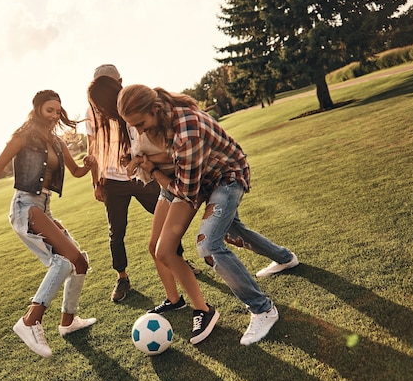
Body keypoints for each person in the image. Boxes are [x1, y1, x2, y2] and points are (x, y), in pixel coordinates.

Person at [117, 84, 299, 345]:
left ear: (155, 109)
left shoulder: (186, 130)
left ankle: (263, 309)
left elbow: (184, 191)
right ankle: (285, 258)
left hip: (227, 178)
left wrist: (152, 170)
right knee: (233, 232)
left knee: (208, 245)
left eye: (141, 123)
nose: (140, 130)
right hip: (205, 180)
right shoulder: (164, 119)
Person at [0, 90, 97, 358]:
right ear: (37, 109)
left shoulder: (57, 143)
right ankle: (30, 321)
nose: (55, 115)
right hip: (26, 207)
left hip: (44, 208)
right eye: (49, 110)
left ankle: (68, 322)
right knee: (64, 261)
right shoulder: (22, 138)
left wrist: (88, 164)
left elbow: (76, 171)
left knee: (79, 262)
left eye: (58, 111)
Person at [85, 64, 199, 304]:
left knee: (168, 222)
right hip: (113, 181)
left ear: (118, 82)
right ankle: (122, 277)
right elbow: (92, 147)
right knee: (116, 232)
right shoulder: (93, 113)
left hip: (143, 176)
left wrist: (141, 162)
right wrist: (96, 181)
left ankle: (176, 259)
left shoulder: (133, 104)